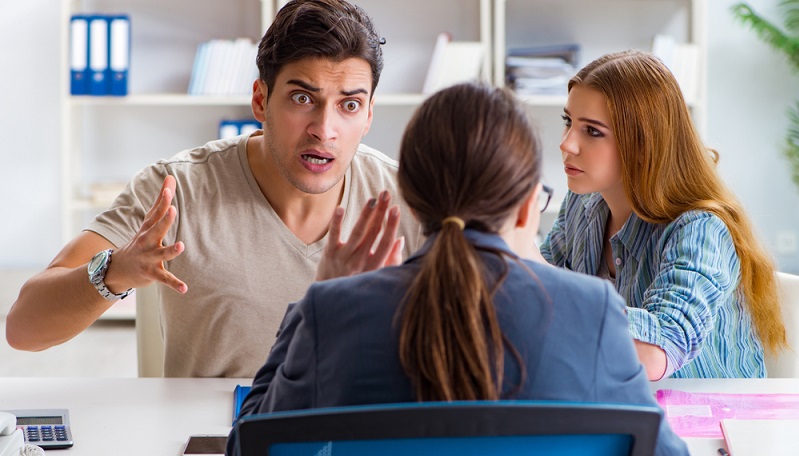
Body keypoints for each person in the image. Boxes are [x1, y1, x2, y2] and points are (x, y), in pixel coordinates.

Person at [228, 82, 689, 456]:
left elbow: (247, 445)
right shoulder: (593, 312)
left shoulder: (332, 310)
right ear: (529, 209)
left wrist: (318, 295)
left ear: (411, 199)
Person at [6, 0, 422, 378]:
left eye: (349, 105)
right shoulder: (177, 189)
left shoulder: (409, 199)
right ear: (260, 101)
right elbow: (24, 328)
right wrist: (115, 271)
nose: (324, 130)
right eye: (301, 98)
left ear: (368, 115)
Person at [539, 49, 786, 380]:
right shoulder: (582, 205)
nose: (567, 144)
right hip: (620, 405)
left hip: (712, 422)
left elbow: (659, 351)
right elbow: (537, 297)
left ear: (643, 144)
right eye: (569, 122)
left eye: (592, 131)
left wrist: (528, 262)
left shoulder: (700, 229)